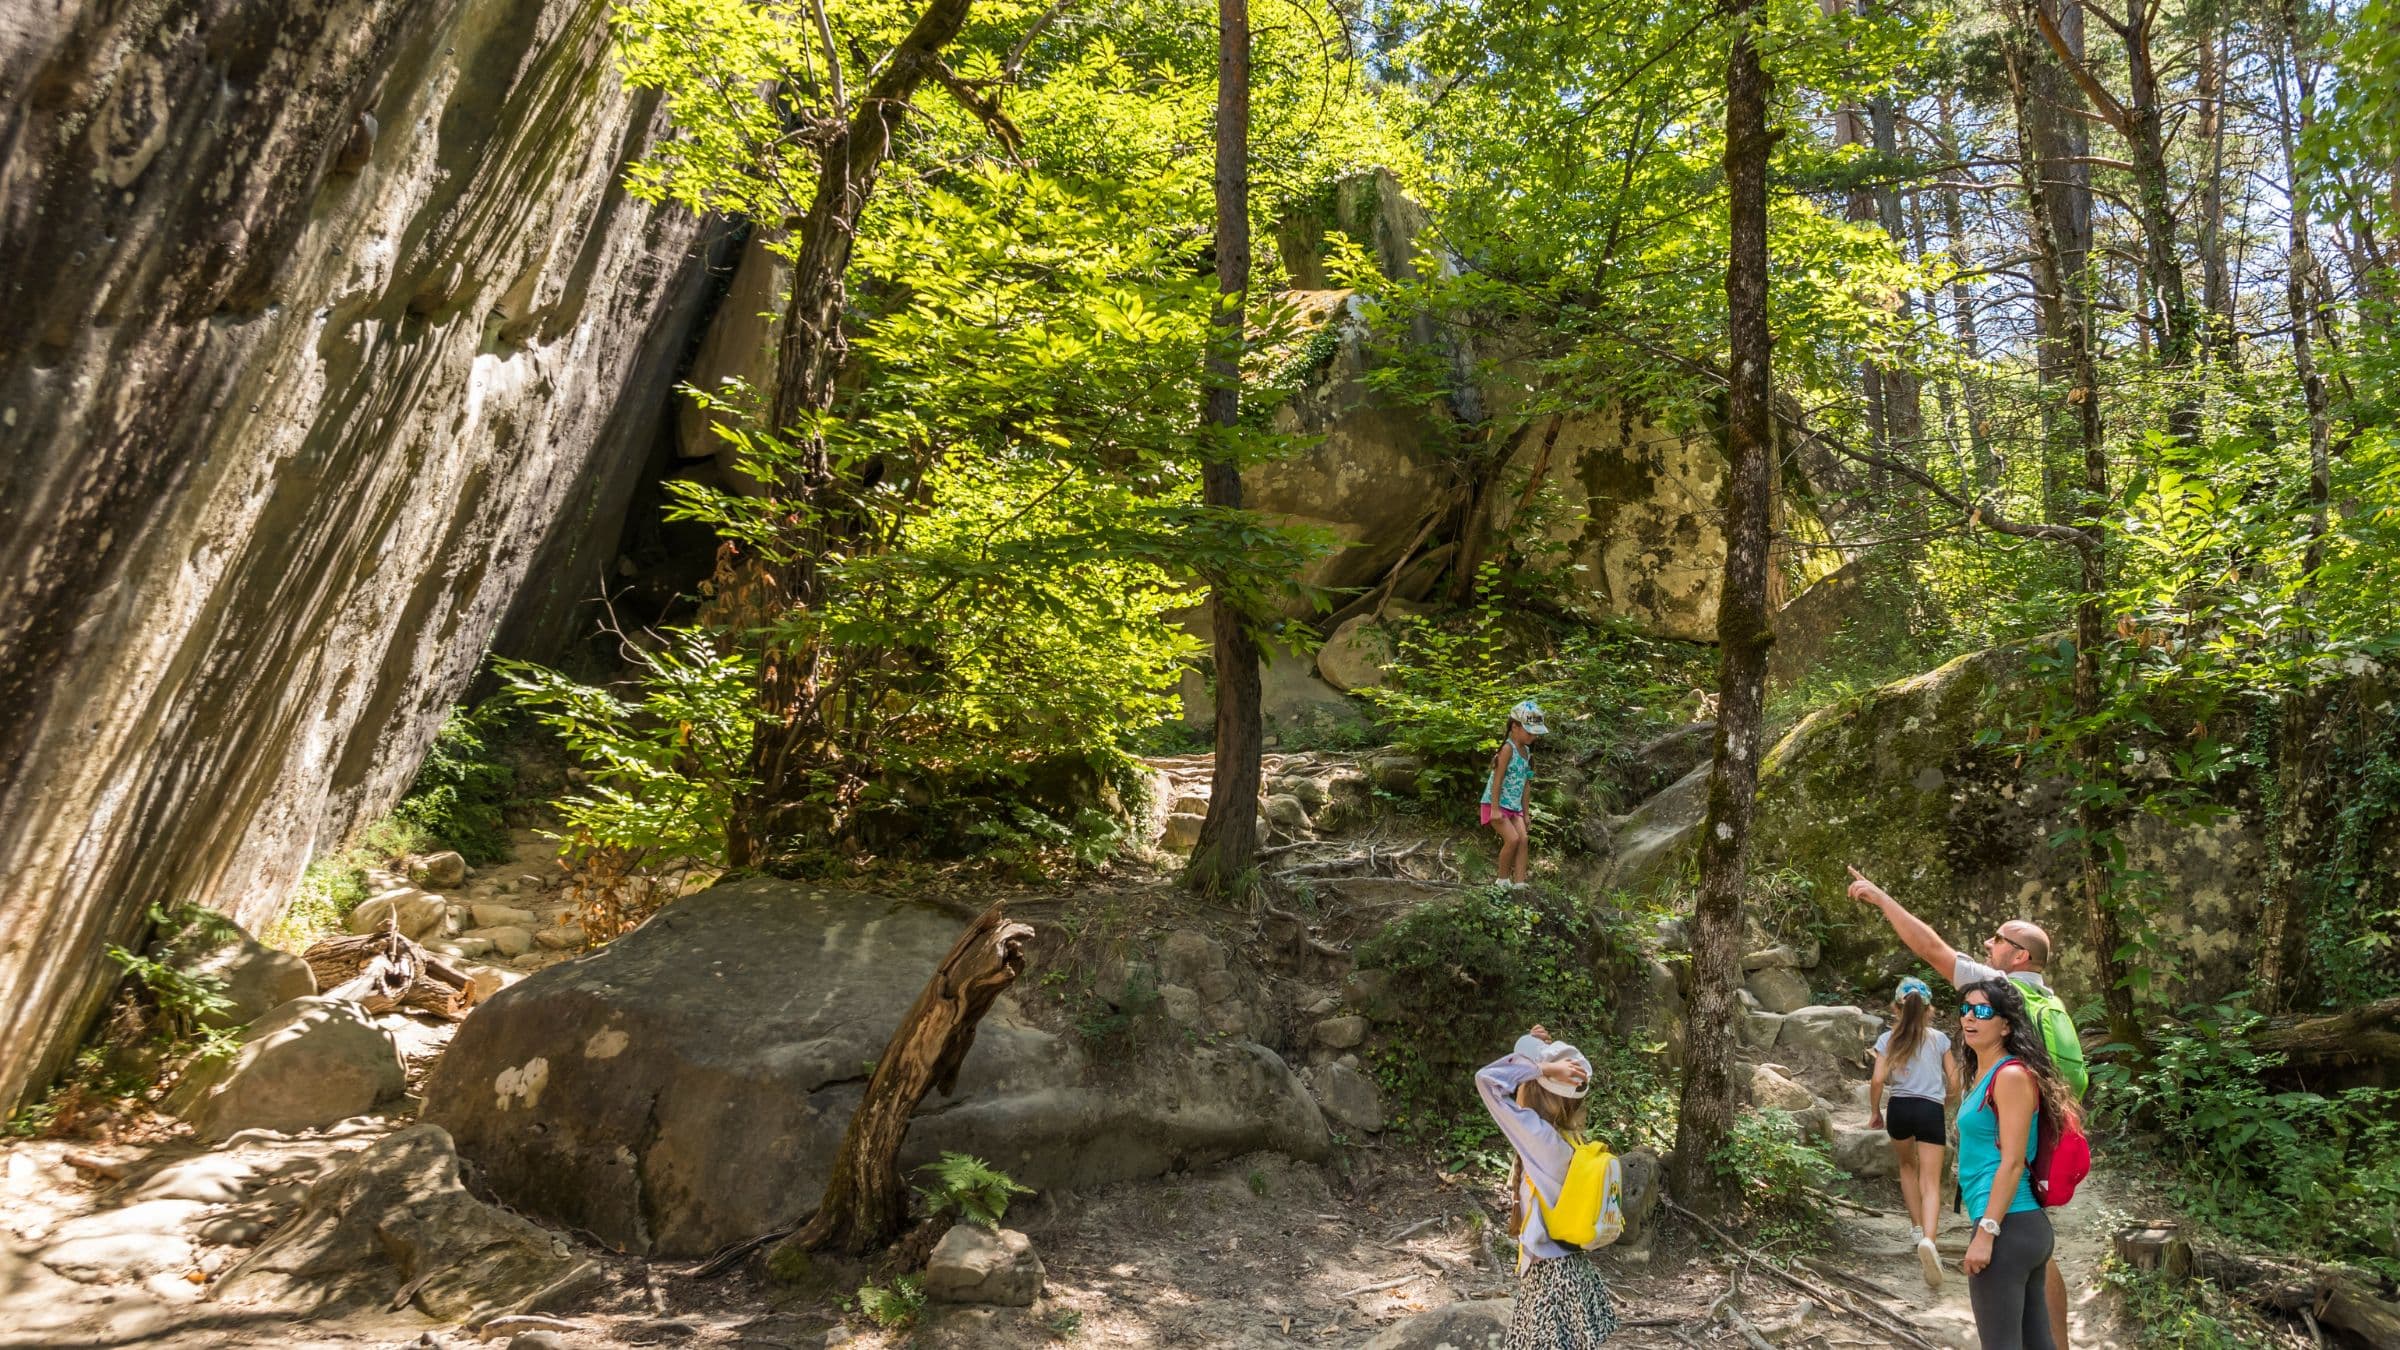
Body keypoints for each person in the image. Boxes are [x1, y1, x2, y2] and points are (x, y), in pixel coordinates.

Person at [1845, 866, 2086, 1349]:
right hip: (2032, 1192)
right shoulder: (2050, 1002)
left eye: (1998, 938)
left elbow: (1929, 948)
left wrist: (1881, 898)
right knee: (2038, 1266)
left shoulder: (2001, 987)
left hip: (2007, 1204)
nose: (1988, 943)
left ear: (2019, 957)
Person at [1475, 1024, 1622, 1348]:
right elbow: (1518, 1091)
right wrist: (1534, 1049)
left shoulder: (1540, 1140)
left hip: (1550, 1279)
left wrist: (1542, 1067)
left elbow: (1487, 1080)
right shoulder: (1567, 1140)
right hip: (1570, 1269)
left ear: (1535, 1090)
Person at [1954, 979, 2080, 1350]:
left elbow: (2011, 1164)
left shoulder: (2009, 1076)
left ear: (2006, 1025)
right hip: (2019, 1229)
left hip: (2009, 1227)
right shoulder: (1984, 1074)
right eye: (1965, 1009)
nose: (1969, 1018)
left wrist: (1986, 1233)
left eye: (1982, 1011)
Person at [1867, 976, 1958, 1291]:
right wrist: (1946, 1102)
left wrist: (1875, 1112)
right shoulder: (1939, 1039)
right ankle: (1930, 1242)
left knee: (1907, 1167)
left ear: (1896, 1006)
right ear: (1928, 1009)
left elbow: (1878, 1080)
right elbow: (1955, 1082)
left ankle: (1916, 1229)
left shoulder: (1887, 1039)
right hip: (1930, 1110)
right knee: (1931, 1182)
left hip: (1900, 1110)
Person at [1482, 700, 1547, 887]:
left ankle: (1520, 883)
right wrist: (1494, 809)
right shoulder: (1507, 749)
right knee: (1513, 839)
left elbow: (1527, 785)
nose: (1533, 736)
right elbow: (1498, 780)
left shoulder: (1527, 752)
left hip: (1514, 807)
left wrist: (1526, 814)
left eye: (1536, 733)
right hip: (1496, 804)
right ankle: (1502, 880)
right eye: (1529, 731)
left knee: (1523, 839)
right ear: (1514, 727)